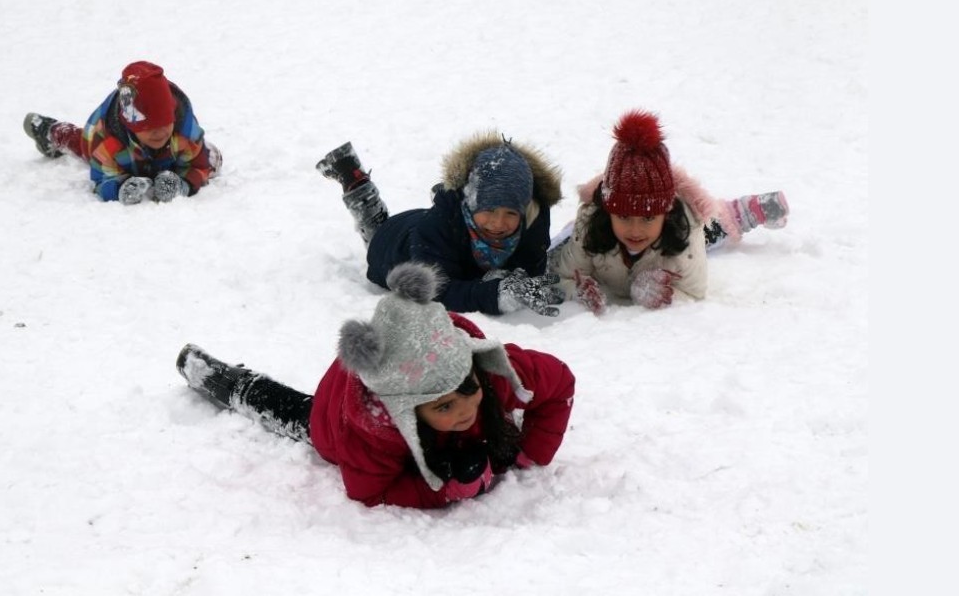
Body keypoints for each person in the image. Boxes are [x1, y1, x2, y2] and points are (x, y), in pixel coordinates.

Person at [176, 262, 576, 509]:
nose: (464, 411)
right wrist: (443, 491)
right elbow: (369, 492)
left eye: (467, 391)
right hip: (336, 415)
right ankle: (220, 379)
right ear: (406, 410)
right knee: (294, 412)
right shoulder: (373, 431)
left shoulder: (489, 370)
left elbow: (560, 384)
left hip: (402, 362)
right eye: (442, 407)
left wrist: (529, 453)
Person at [547, 109, 790, 313]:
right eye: (623, 216)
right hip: (597, 230)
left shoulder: (685, 230)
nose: (635, 230)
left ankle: (740, 212)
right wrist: (578, 292)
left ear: (666, 211)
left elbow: (694, 292)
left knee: (711, 229)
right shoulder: (589, 227)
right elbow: (561, 277)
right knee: (564, 242)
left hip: (677, 234)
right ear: (608, 211)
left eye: (648, 217)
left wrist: (662, 293)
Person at [315, 133, 564, 317]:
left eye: (511, 212)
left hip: (441, 229)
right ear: (471, 202)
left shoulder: (533, 217)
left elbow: (532, 268)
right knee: (377, 230)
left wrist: (513, 279)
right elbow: (435, 292)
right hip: (396, 244)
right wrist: (494, 293)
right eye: (488, 210)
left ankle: (444, 201)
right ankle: (356, 183)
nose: (499, 223)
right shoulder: (434, 229)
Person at [22, 60, 222, 204]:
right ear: (131, 125)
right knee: (82, 144)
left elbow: (201, 165)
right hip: (111, 145)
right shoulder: (107, 142)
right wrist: (120, 188)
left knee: (209, 155)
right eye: (149, 127)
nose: (159, 132)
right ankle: (50, 131)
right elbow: (101, 180)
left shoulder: (184, 132)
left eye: (164, 122)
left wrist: (183, 184)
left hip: (168, 153)